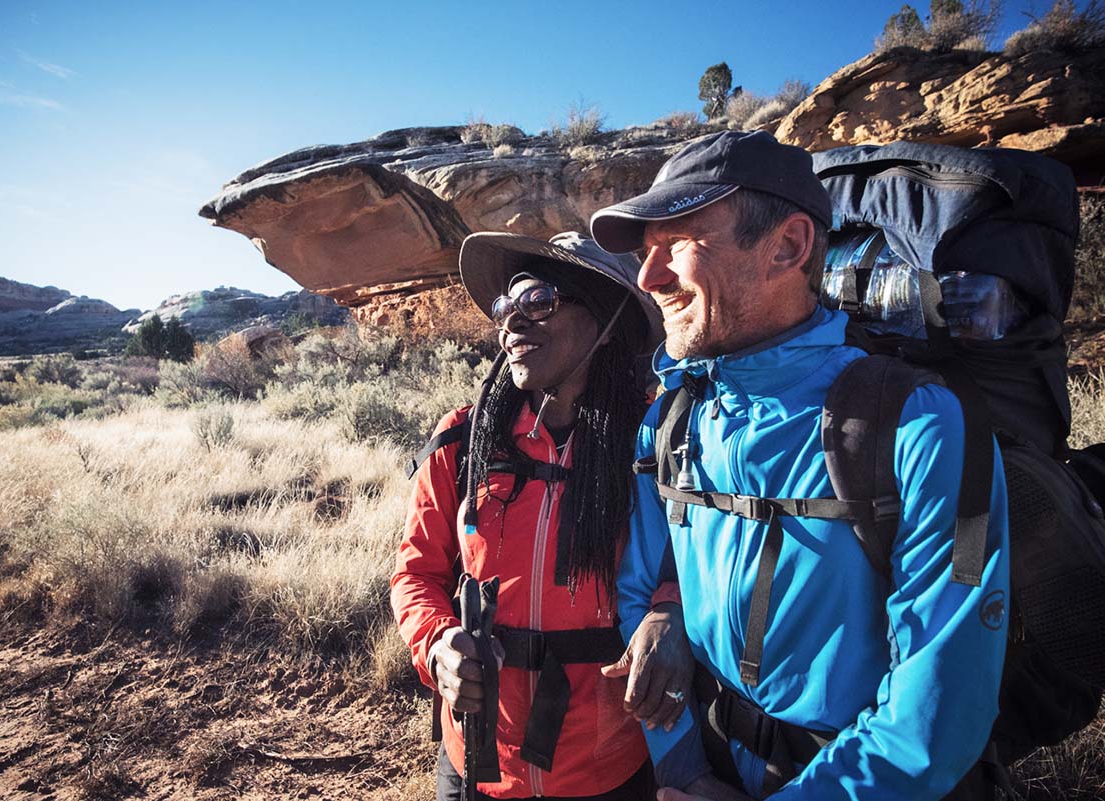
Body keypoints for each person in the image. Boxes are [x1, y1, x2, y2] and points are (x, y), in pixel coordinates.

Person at [588, 131, 1010, 801]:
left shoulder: (916, 423)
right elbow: (641, 590)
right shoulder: (671, 418)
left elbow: (937, 715)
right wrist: (685, 770)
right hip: (713, 766)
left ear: (788, 245)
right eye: (646, 253)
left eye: (679, 243)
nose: (648, 278)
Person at [391, 231, 664, 801]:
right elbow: (415, 573)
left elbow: (695, 563)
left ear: (606, 317)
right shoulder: (463, 442)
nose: (512, 324)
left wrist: (671, 612)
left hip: (606, 767)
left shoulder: (653, 444)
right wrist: (438, 643)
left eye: (538, 301)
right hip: (477, 760)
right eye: (504, 309)